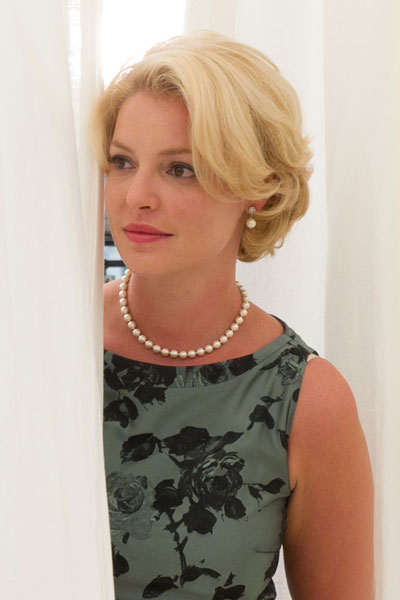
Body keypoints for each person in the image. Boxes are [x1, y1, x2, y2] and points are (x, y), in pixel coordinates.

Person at [91, 31, 374, 599]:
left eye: (180, 169)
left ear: (258, 189)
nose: (136, 195)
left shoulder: (306, 401)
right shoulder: (49, 349)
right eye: (122, 161)